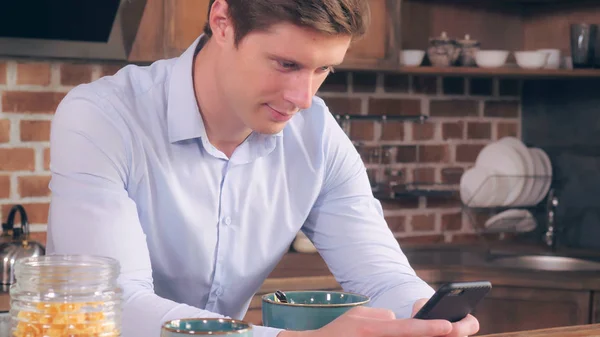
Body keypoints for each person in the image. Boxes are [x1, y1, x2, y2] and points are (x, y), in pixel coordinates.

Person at [46, 0, 480, 336]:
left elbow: (383, 276)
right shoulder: (102, 116)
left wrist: (425, 313)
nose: (303, 97)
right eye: (286, 64)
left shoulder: (317, 134)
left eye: (322, 69)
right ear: (222, 21)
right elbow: (109, 303)